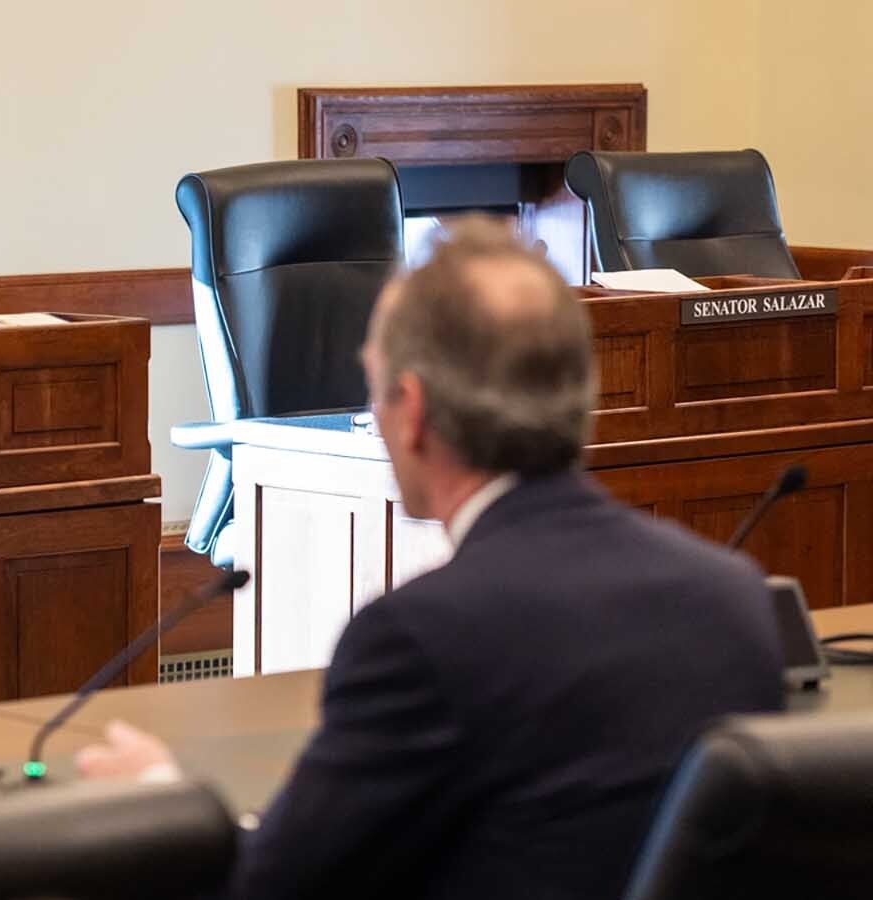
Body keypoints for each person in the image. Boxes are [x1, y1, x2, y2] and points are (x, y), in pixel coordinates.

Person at [77, 217, 784, 900]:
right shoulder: (733, 599)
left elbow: (266, 890)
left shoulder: (419, 638)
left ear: (411, 411)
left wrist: (157, 802)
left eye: (375, 389)